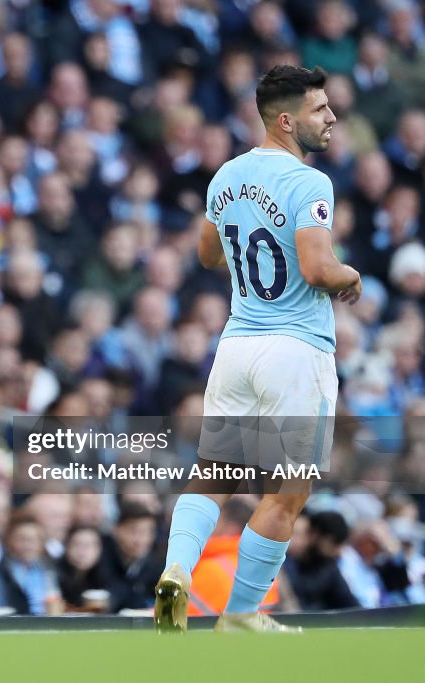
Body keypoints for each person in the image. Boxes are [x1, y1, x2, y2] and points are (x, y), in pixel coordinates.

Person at [154, 65, 362, 634]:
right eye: (321, 109)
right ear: (288, 120)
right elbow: (318, 267)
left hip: (238, 346)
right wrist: (350, 274)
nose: (332, 118)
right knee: (287, 493)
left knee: (214, 473)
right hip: (295, 353)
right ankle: (242, 615)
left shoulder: (226, 176)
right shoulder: (309, 182)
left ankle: (176, 569)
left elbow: (205, 254)